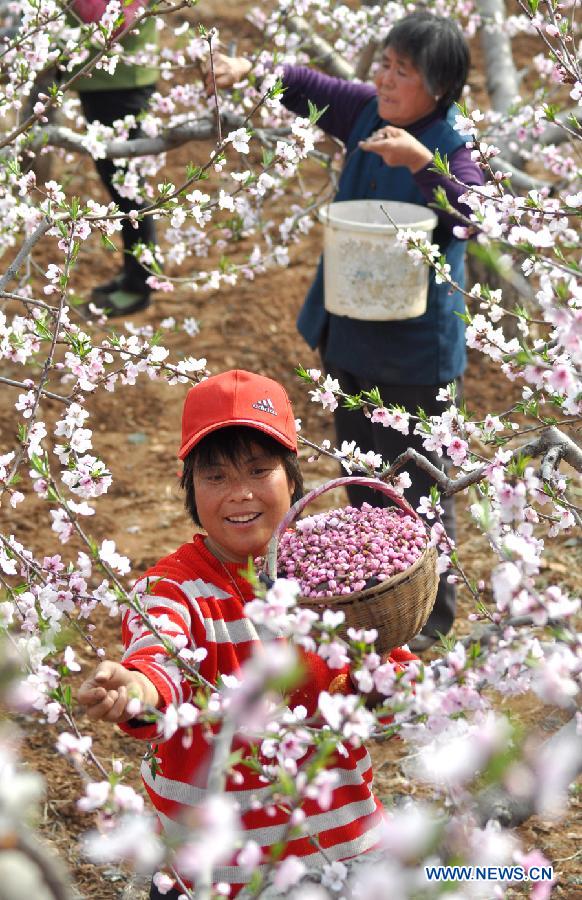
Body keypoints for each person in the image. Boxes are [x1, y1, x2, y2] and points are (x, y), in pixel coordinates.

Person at [78, 369, 417, 899]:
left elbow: (388, 689)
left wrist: (380, 685)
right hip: (219, 876)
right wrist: (137, 691)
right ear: (188, 486)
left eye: (259, 470)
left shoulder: (332, 573)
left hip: (346, 856)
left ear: (292, 477)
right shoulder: (172, 588)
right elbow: (158, 663)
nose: (240, 494)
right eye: (215, 477)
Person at [208, 12, 485, 650]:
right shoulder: (365, 110)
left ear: (438, 86)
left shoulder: (452, 140)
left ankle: (427, 623)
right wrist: (250, 72)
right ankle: (379, 611)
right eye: (384, 63)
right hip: (353, 330)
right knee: (365, 480)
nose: (384, 78)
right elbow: (309, 86)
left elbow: (479, 211)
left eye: (402, 70)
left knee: (417, 485)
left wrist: (421, 161)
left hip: (416, 352)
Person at [70, 0, 158, 316]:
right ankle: (134, 273)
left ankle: (140, 285)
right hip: (103, 78)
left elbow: (113, 19)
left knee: (127, 188)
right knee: (120, 185)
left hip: (121, 81)